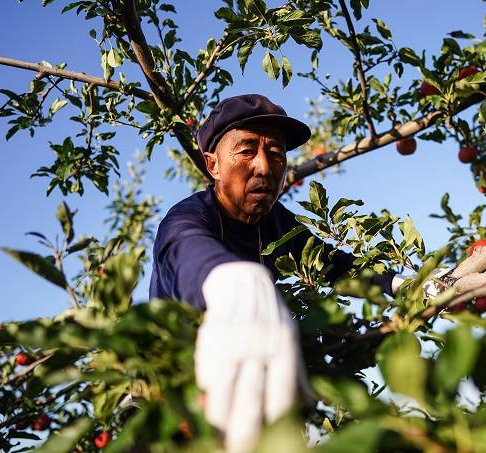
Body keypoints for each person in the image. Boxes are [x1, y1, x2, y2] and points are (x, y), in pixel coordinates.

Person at [149, 94, 397, 452]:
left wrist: (399, 284)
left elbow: (334, 265)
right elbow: (186, 250)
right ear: (212, 165)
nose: (265, 167)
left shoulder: (277, 223)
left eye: (277, 154)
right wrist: (233, 282)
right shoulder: (187, 218)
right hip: (173, 403)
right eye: (247, 150)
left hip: (253, 397)